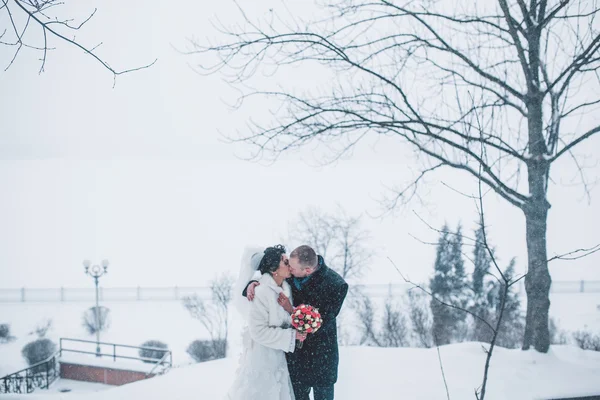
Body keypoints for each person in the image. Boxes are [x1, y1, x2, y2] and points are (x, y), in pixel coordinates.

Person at [244, 245, 349, 400]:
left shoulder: (336, 285)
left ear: (307, 270)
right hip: (296, 359)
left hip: (322, 356)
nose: (289, 268)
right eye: (288, 264)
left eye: (291, 267)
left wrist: (291, 310)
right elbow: (271, 271)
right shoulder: (293, 269)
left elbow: (319, 322)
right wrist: (252, 283)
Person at [227, 245, 306, 400]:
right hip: (262, 359)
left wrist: (297, 321)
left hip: (278, 357)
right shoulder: (261, 292)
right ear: (273, 269)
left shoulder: (286, 287)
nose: (289, 263)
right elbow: (258, 331)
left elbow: (283, 319)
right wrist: (292, 335)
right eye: (285, 261)